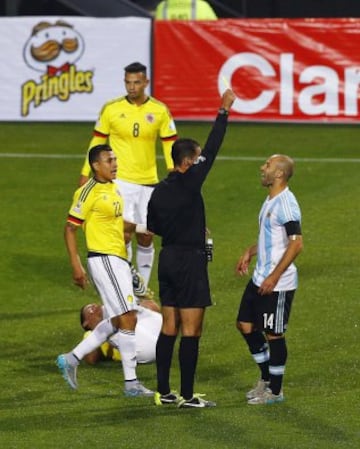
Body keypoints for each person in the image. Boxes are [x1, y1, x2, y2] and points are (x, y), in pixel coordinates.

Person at [147, 88, 236, 408]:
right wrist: (223, 111)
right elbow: (212, 148)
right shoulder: (190, 180)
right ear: (187, 162)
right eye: (196, 158)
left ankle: (163, 391)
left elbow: (153, 228)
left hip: (168, 258)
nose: (200, 162)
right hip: (189, 262)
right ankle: (186, 396)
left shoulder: (157, 191)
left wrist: (188, 227)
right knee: (192, 330)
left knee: (168, 327)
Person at [56, 144, 153, 397]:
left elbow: (120, 222)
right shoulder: (87, 192)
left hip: (118, 258)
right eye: (109, 160)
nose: (115, 163)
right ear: (96, 165)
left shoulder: (113, 187)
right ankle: (131, 384)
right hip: (104, 259)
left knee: (120, 318)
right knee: (128, 317)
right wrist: (76, 266)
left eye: (115, 159)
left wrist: (145, 228)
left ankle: (72, 358)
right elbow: (69, 228)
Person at [78, 62, 178, 288]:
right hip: (120, 181)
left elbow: (170, 145)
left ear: (146, 83)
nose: (131, 87)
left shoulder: (160, 110)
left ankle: (142, 285)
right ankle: (125, 281)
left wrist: (175, 176)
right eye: (128, 82)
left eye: (136, 82)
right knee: (123, 233)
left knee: (145, 235)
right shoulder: (111, 109)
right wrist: (86, 172)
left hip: (149, 183)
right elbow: (97, 142)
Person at [235, 154, 303, 405]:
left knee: (274, 334)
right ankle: (266, 378)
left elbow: (296, 245)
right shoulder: (271, 199)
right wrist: (249, 252)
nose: (262, 168)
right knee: (244, 325)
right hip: (260, 278)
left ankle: (275, 391)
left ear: (279, 175)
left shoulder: (286, 204)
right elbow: (272, 238)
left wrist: (274, 277)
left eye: (267, 165)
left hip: (277, 283)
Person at [80, 302, 162, 365]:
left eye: (94, 305)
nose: (94, 307)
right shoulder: (90, 334)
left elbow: (154, 309)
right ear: (86, 323)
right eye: (90, 310)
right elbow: (91, 359)